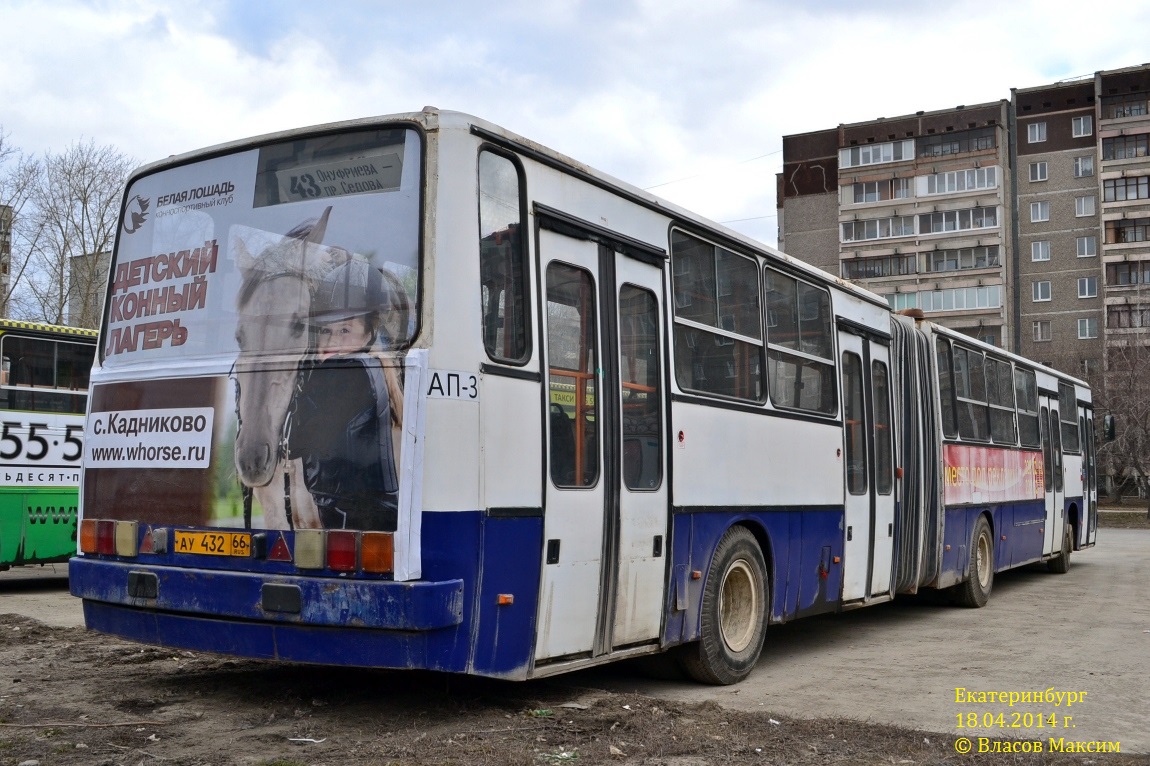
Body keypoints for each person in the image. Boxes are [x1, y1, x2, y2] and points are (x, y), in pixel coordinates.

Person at [288, 258, 401, 531]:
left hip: (355, 518)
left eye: (345, 330)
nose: (331, 341)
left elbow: (299, 441)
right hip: (360, 514)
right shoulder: (371, 367)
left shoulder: (349, 373)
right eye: (325, 330)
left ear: (368, 334)